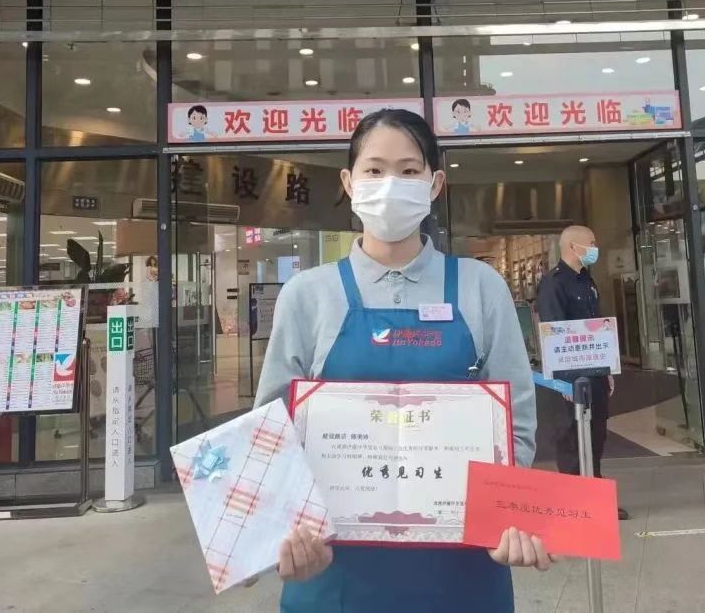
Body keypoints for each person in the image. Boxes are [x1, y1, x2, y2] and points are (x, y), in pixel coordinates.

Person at [254, 108, 550, 613]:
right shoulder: (308, 295)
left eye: (409, 170)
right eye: (374, 170)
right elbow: (269, 436)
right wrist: (284, 534)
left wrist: (506, 512)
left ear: (435, 184)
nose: (390, 184)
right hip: (331, 573)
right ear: (349, 183)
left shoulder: (481, 287)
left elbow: (516, 425)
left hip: (463, 572)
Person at [536, 225, 629, 520]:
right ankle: (575, 504)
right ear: (573, 247)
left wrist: (606, 369)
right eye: (591, 243)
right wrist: (566, 380)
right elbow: (554, 332)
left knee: (596, 435)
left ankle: (596, 500)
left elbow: (596, 326)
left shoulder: (588, 280)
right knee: (572, 439)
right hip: (571, 376)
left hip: (594, 372)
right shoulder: (554, 283)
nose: (595, 248)